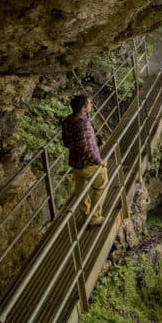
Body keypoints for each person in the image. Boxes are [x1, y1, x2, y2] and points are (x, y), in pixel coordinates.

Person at [62, 95, 107, 226]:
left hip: (75, 162)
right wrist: (99, 161)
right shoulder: (83, 123)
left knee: (80, 191)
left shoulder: (68, 120)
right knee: (101, 185)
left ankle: (85, 213)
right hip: (87, 164)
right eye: (89, 103)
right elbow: (87, 148)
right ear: (83, 108)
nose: (91, 105)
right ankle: (94, 218)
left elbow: (66, 142)